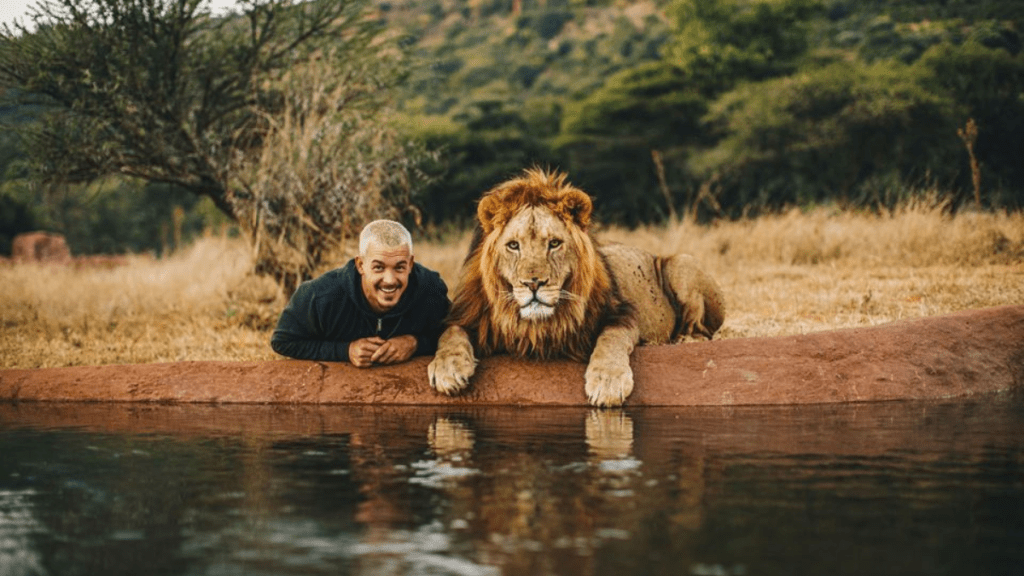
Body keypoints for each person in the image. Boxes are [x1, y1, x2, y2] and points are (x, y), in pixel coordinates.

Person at [271, 220, 451, 367]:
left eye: (399, 267)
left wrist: (414, 343)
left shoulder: (431, 290)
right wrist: (345, 350)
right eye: (378, 267)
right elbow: (283, 341)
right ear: (360, 265)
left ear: (410, 264)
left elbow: (457, 332)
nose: (389, 280)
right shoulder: (320, 296)